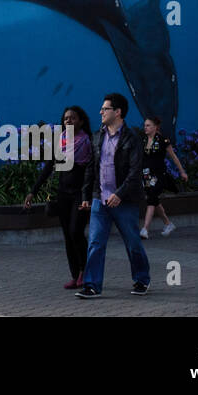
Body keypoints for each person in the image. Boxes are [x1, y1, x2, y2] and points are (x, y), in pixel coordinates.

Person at [76, 92, 150, 299]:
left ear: (117, 112)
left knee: (133, 242)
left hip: (124, 201)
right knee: (95, 243)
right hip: (100, 199)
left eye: (105, 108)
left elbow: (135, 171)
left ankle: (142, 279)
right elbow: (92, 167)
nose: (100, 112)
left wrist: (120, 194)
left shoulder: (132, 137)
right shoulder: (97, 136)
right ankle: (92, 285)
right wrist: (86, 195)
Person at [23, 106, 93, 289]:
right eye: (66, 118)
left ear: (81, 121)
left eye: (73, 118)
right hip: (63, 194)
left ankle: (85, 272)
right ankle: (74, 274)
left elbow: (90, 172)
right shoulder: (60, 140)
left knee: (76, 232)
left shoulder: (87, 142)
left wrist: (89, 195)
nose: (68, 121)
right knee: (67, 236)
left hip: (80, 194)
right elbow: (48, 167)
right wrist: (33, 191)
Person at [140, 115, 188, 239]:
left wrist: (182, 172)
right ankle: (168, 223)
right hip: (146, 175)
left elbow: (174, 157)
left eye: (148, 125)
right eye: (144, 125)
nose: (145, 127)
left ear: (155, 127)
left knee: (151, 198)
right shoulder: (143, 140)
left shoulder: (163, 140)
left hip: (159, 174)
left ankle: (145, 229)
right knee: (154, 199)